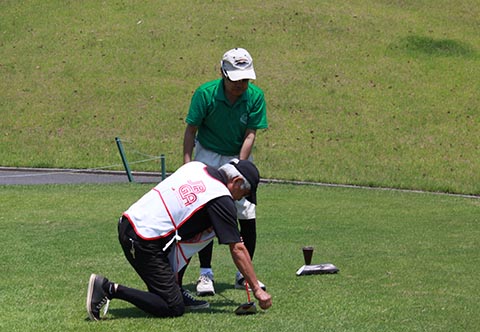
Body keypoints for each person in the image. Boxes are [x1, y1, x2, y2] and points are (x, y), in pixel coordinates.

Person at [86, 160, 272, 320]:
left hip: (129, 223)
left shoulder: (197, 167)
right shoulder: (221, 198)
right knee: (172, 307)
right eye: (245, 194)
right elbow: (237, 248)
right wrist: (257, 289)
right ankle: (109, 288)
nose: (242, 200)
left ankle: (176, 289)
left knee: (195, 235)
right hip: (143, 240)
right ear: (237, 181)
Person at [183, 47, 268, 296]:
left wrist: (239, 167)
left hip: (238, 153)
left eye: (245, 78)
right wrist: (188, 165)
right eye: (235, 78)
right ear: (222, 72)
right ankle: (205, 274)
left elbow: (251, 133)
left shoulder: (255, 96)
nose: (240, 84)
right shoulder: (205, 94)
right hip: (208, 153)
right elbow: (191, 130)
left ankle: (243, 275)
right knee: (207, 212)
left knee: (246, 214)